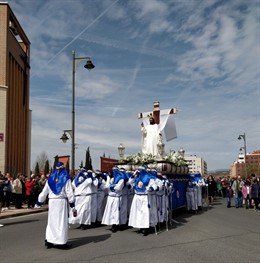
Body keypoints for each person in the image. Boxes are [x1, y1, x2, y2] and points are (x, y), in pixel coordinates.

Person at [35, 162, 76, 249]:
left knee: (51, 221)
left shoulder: (50, 178)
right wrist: (72, 204)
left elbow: (44, 191)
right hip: (61, 202)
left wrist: (39, 201)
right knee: (61, 222)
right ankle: (61, 242)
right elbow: (69, 192)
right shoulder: (66, 178)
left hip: (52, 202)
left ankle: (49, 241)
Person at [128, 167, 158, 236]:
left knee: (144, 212)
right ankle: (140, 227)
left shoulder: (149, 177)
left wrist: (151, 188)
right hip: (137, 196)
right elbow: (129, 182)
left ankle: (145, 228)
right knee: (138, 212)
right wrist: (134, 175)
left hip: (145, 196)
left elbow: (154, 185)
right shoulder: (136, 177)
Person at [101, 167, 125, 233]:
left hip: (116, 197)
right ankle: (112, 223)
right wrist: (112, 185)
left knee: (116, 211)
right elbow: (106, 186)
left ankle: (115, 224)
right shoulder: (110, 178)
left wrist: (111, 186)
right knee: (110, 211)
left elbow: (118, 188)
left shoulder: (121, 179)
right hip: (110, 197)